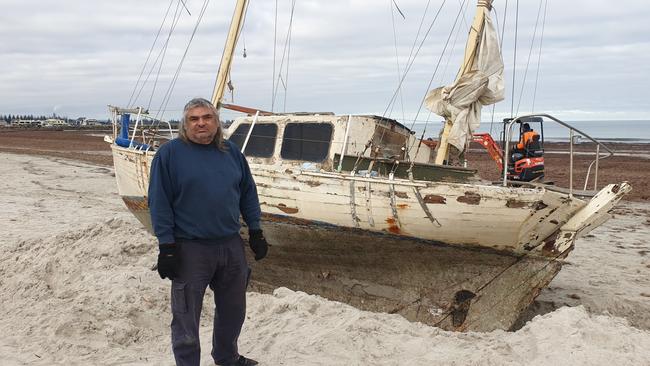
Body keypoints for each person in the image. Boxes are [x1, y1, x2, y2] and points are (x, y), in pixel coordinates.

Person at [148, 97, 268, 366]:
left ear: (216, 122)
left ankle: (227, 357)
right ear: (185, 124)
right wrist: (166, 246)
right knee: (186, 315)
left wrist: (256, 230)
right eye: (194, 119)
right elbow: (159, 203)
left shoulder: (231, 152)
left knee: (233, 309)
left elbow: (248, 193)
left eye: (207, 117)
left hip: (230, 244)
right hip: (190, 248)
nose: (201, 123)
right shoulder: (169, 155)